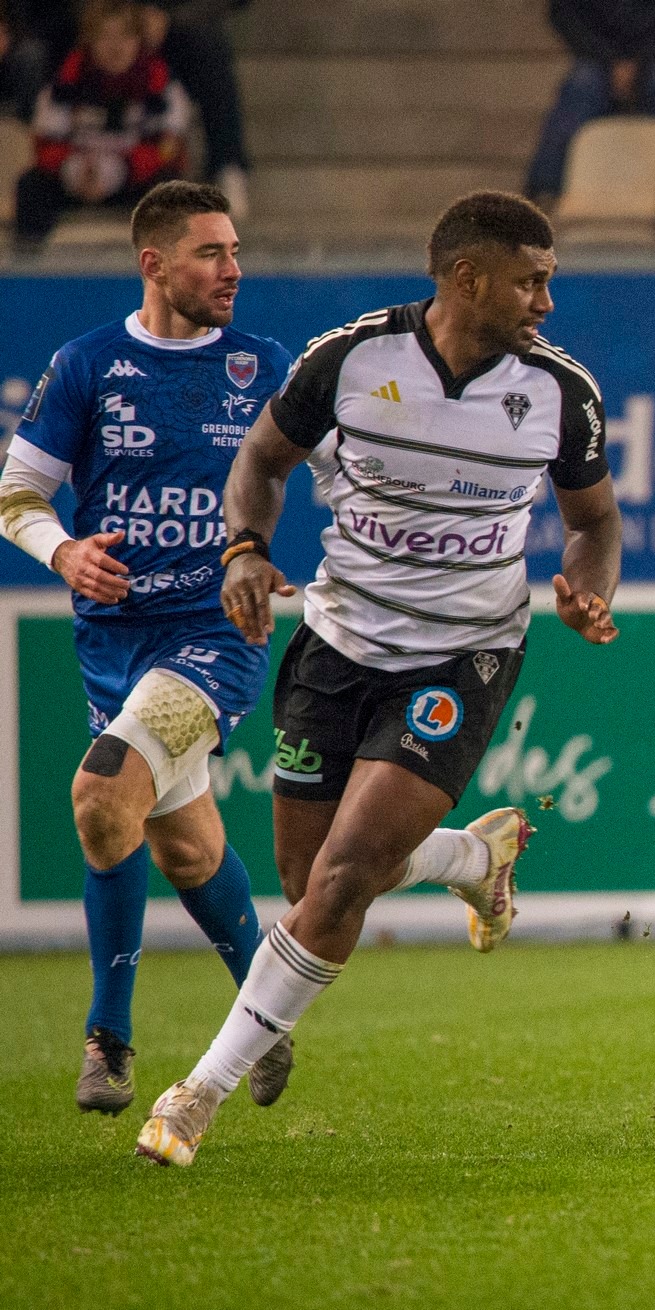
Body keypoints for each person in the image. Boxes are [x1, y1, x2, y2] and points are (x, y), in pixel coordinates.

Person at [134, 191, 624, 1167]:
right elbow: (262, 462)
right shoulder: (351, 360)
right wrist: (242, 547)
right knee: (313, 880)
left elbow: (593, 520)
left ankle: (198, 1092)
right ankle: (467, 861)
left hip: (466, 653)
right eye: (532, 281)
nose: (547, 302)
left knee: (345, 875)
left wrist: (587, 588)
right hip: (339, 643)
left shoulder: (561, 392)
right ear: (467, 278)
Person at [0, 181, 289, 1115]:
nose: (233, 271)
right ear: (154, 263)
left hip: (214, 633)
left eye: (236, 251)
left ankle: (108, 1036)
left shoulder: (264, 366)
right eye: (212, 254)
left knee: (99, 796)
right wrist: (66, 550)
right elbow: (16, 496)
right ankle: (268, 1013)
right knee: (187, 848)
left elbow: (341, 467)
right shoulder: (87, 365)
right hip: (111, 644)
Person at [13, 0, 188, 247]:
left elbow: (168, 148)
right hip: (77, 174)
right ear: (89, 41)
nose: (115, 47)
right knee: (31, 185)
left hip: (133, 177)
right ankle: (29, 264)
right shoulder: (66, 80)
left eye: (125, 36)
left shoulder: (159, 83)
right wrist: (72, 169)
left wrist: (120, 170)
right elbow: (45, 143)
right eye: (105, 36)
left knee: (170, 189)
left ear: (140, 41)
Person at [522, 0, 655, 206]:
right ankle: (543, 193)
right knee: (581, 84)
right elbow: (565, 15)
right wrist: (611, 62)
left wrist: (641, 64)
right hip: (601, 60)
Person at [136, 1, 253, 215]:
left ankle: (226, 163)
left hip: (183, 21)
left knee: (207, 45)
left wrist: (169, 17)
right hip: (112, 16)